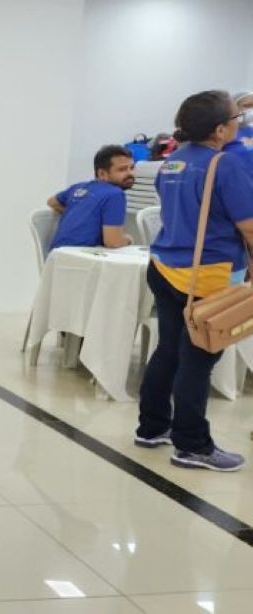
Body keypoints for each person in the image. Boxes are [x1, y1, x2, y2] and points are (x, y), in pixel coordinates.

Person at [136, 90, 253, 472]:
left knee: (169, 349)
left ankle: (152, 427)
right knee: (198, 360)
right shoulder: (224, 165)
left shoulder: (173, 161)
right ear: (220, 129)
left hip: (164, 266)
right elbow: (249, 226)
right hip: (207, 275)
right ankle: (192, 444)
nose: (241, 122)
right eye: (237, 117)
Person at [47, 145, 135, 251]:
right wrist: (129, 239)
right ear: (102, 173)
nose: (130, 173)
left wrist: (82, 213)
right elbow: (113, 242)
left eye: (131, 168)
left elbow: (52, 202)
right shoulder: (115, 194)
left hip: (55, 256)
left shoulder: (78, 187)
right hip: (80, 258)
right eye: (122, 169)